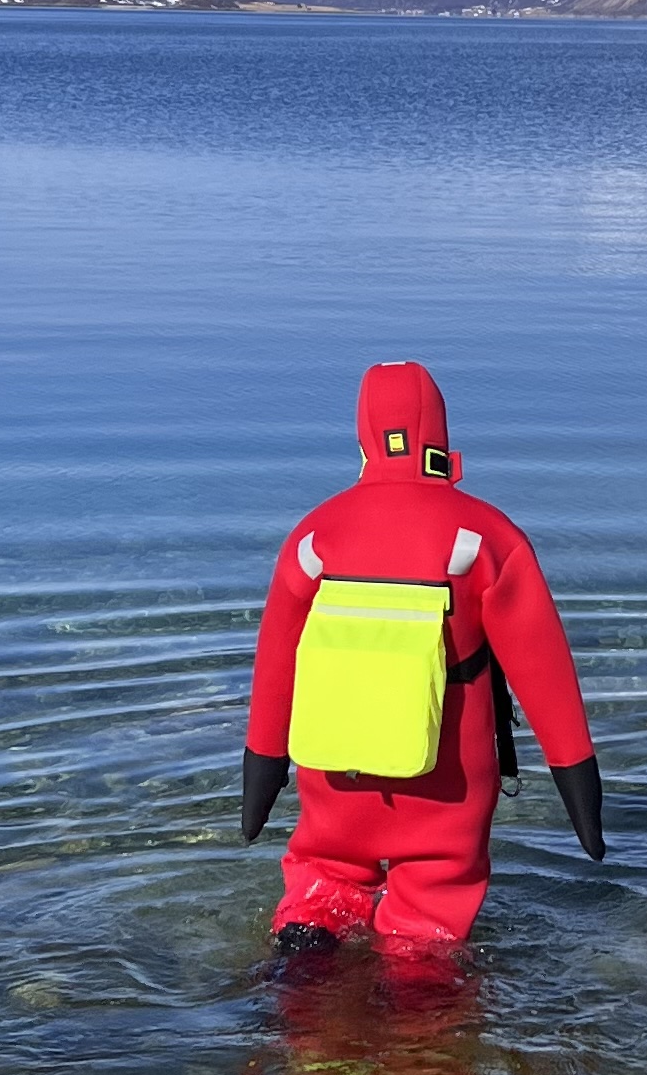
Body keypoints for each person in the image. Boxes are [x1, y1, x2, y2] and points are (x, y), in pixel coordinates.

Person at [240, 360, 603, 954]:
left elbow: (276, 665)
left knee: (321, 883)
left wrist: (261, 773)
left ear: (361, 435)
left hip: (336, 772)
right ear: (441, 432)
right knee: (431, 912)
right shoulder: (484, 536)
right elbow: (545, 673)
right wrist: (580, 791)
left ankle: (301, 986)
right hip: (449, 774)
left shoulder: (315, 536)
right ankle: (420, 1006)